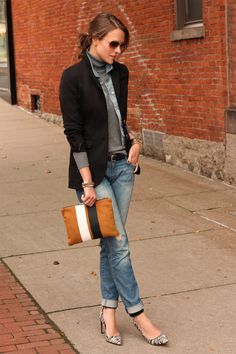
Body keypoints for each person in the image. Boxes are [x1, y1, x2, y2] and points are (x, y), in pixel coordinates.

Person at [59, 12, 168, 346]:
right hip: (94, 173)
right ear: (95, 38)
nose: (119, 50)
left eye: (123, 45)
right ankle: (138, 314)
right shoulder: (73, 77)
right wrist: (87, 183)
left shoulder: (120, 73)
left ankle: (108, 312)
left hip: (123, 169)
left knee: (111, 241)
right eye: (113, 44)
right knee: (119, 243)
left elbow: (117, 119)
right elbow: (74, 133)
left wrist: (133, 142)